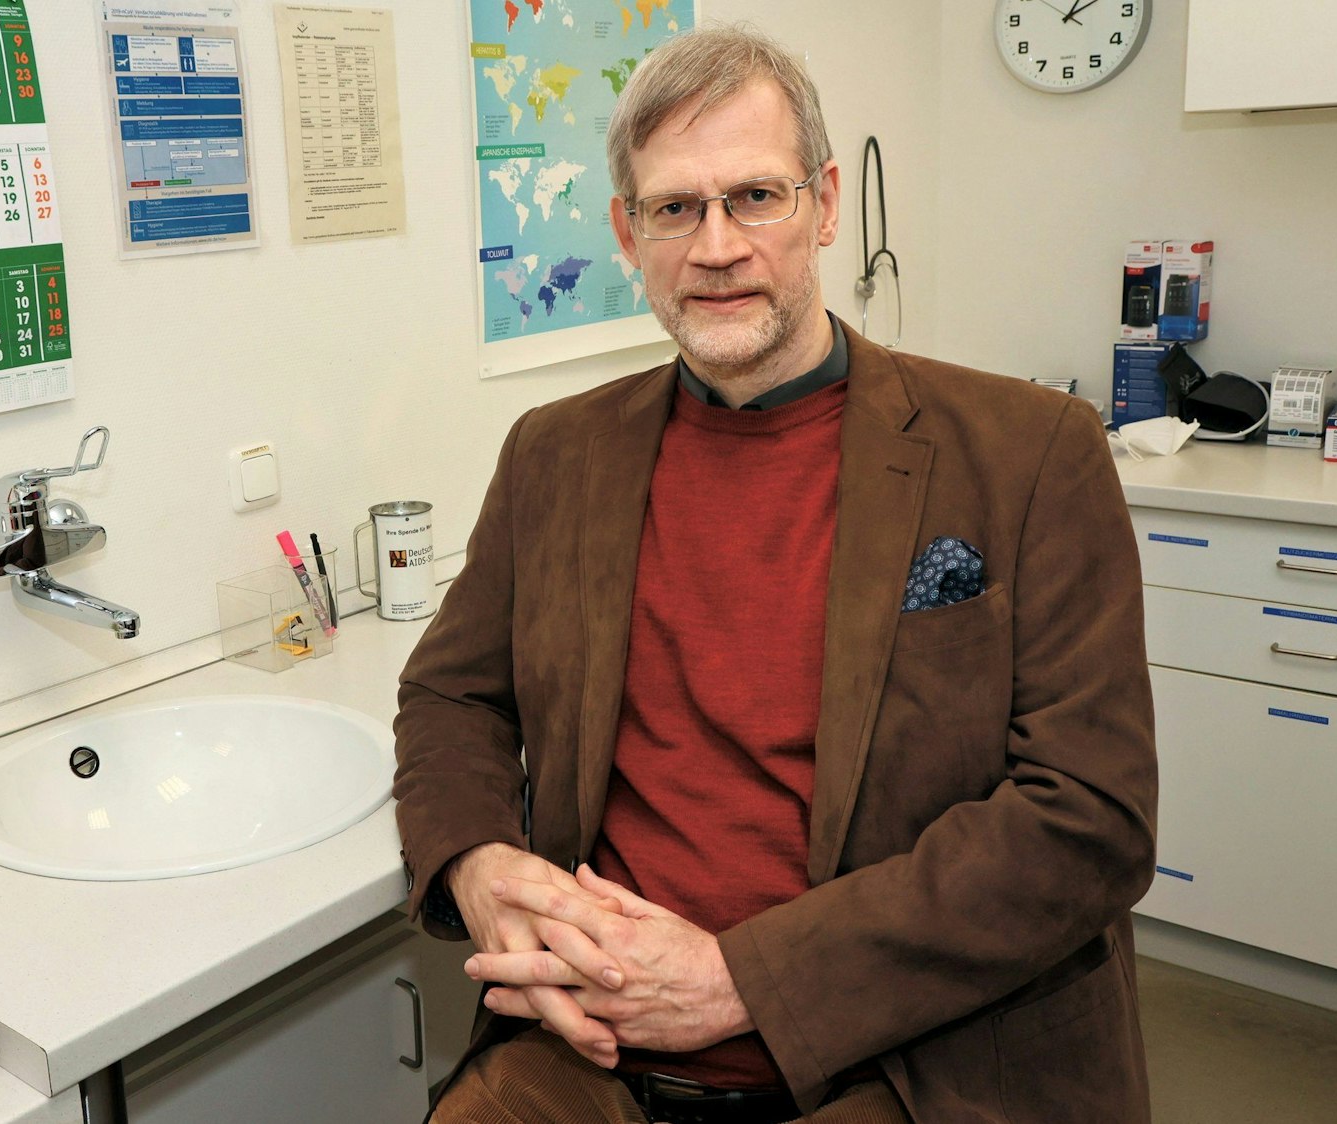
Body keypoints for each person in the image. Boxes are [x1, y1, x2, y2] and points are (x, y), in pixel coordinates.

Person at [392, 23, 1158, 1124]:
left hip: (903, 1061)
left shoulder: (1030, 453)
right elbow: (450, 693)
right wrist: (477, 862)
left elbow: (1090, 815)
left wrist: (740, 980)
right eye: (674, 207)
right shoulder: (553, 455)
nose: (716, 247)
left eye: (755, 197)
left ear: (825, 204)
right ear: (627, 232)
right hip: (590, 1049)